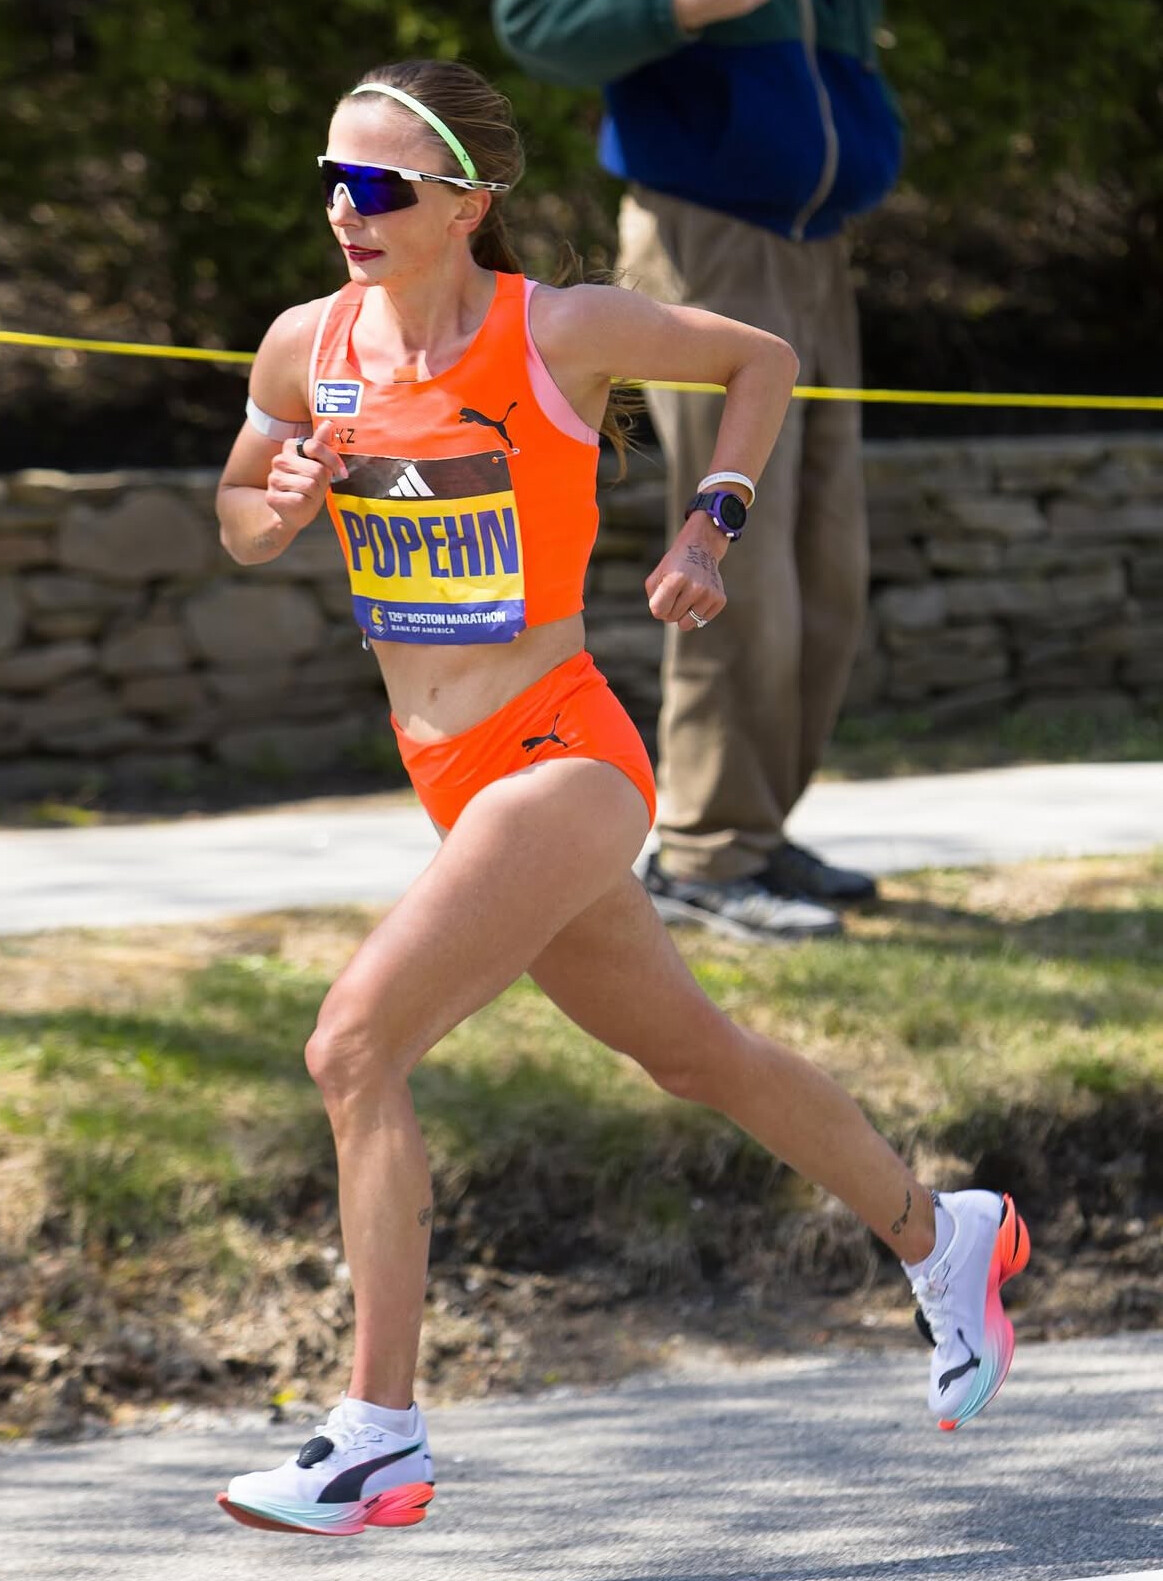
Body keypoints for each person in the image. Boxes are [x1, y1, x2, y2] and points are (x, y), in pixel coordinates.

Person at [213, 59, 1028, 1538]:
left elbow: (762, 358)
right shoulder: (303, 346)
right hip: (448, 777)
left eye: (379, 184)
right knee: (693, 1055)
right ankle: (939, 1232)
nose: (345, 208)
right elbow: (239, 512)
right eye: (331, 179)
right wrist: (276, 509)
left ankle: (376, 1435)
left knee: (352, 1043)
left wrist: (710, 525)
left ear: (467, 201)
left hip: (562, 757)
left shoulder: (560, 329)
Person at [493, 0, 900, 941]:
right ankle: (703, 852)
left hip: (816, 245)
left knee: (827, 565)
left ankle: (754, 831)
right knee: (731, 560)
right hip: (705, 237)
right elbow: (535, 28)